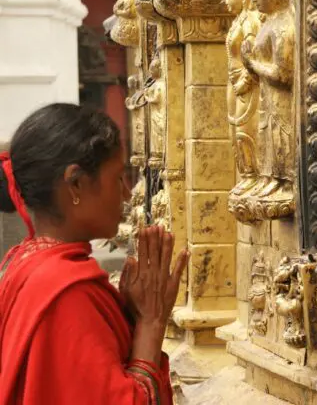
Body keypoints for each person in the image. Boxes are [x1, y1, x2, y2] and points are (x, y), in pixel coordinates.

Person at [0, 103, 189, 404]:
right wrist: (152, 323)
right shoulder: (67, 293)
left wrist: (127, 316)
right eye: (117, 178)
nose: (126, 193)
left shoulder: (24, 263)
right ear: (76, 183)